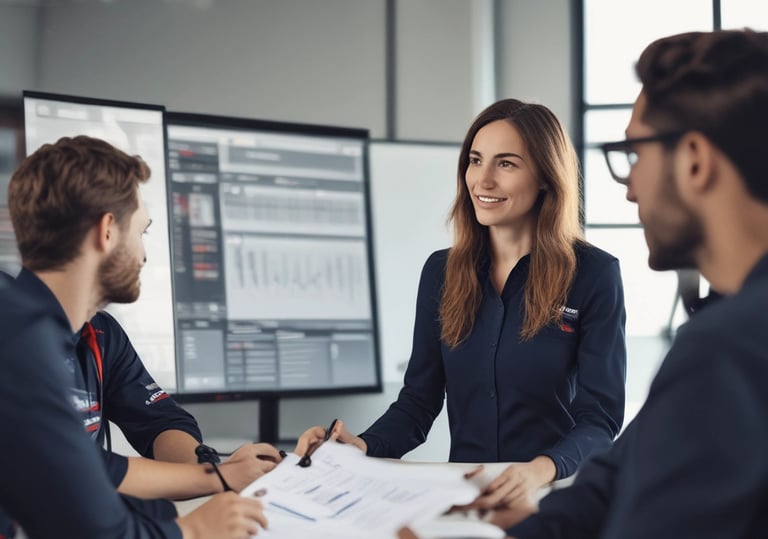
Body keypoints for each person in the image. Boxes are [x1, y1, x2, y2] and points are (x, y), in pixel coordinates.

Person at [487, 28, 768, 538]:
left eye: (635, 155)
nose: (631, 189)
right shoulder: (731, 325)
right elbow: (614, 481)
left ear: (694, 161)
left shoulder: (730, 348)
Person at [298, 98, 627, 509]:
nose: (482, 180)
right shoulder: (441, 272)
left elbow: (600, 418)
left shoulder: (594, 275)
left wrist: (538, 469)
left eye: (506, 164)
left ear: (545, 176)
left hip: (551, 497)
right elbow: (419, 402)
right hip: (464, 499)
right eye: (475, 160)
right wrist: (359, 447)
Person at [0, 137, 268, 538]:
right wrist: (193, 531)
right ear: (107, 231)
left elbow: (106, 460)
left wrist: (217, 474)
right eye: (141, 231)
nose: (144, 255)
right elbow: (97, 528)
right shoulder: (19, 344)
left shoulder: (76, 330)